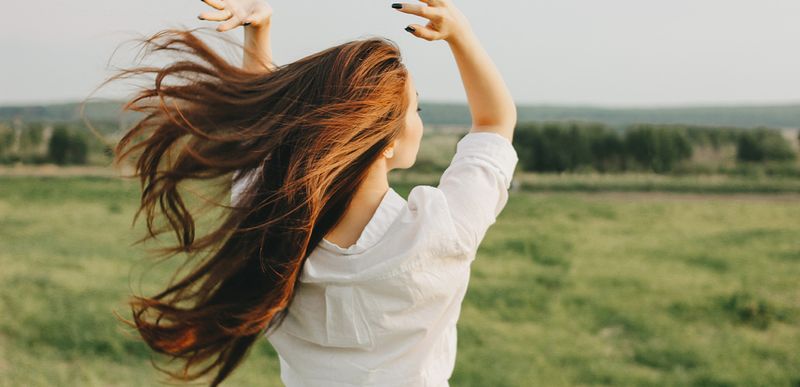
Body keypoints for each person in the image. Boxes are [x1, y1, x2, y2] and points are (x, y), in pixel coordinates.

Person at [110, 0, 517, 386]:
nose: (419, 121)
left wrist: (258, 33)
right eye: (416, 110)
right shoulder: (440, 231)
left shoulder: (270, 228)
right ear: (386, 140)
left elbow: (260, 136)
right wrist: (460, 33)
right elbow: (494, 123)